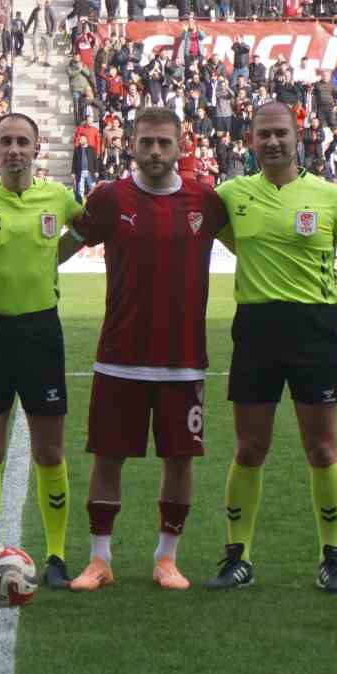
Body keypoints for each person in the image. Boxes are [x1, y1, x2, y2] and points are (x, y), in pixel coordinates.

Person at [208, 101, 337, 596]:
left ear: (297, 134)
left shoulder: (329, 197)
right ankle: (237, 556)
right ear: (250, 140)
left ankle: (332, 559)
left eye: (280, 133)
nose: (272, 142)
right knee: (249, 447)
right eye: (263, 134)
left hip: (314, 329)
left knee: (321, 447)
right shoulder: (231, 196)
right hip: (256, 328)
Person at [57, 107, 231, 592]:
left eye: (164, 143)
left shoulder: (206, 200)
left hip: (183, 359)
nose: (155, 151)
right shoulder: (110, 198)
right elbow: (60, 249)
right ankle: (99, 560)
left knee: (179, 460)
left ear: (180, 146)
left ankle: (166, 559)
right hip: (120, 356)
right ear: (130, 144)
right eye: (146, 142)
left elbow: (251, 246)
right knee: (107, 457)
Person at [0, 113, 84, 590]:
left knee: (50, 450)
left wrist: (59, 253)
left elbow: (86, 229)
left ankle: (55, 554)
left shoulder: (58, 198)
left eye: (22, 142)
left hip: (40, 332)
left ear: (37, 150)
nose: (14, 149)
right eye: (5, 141)